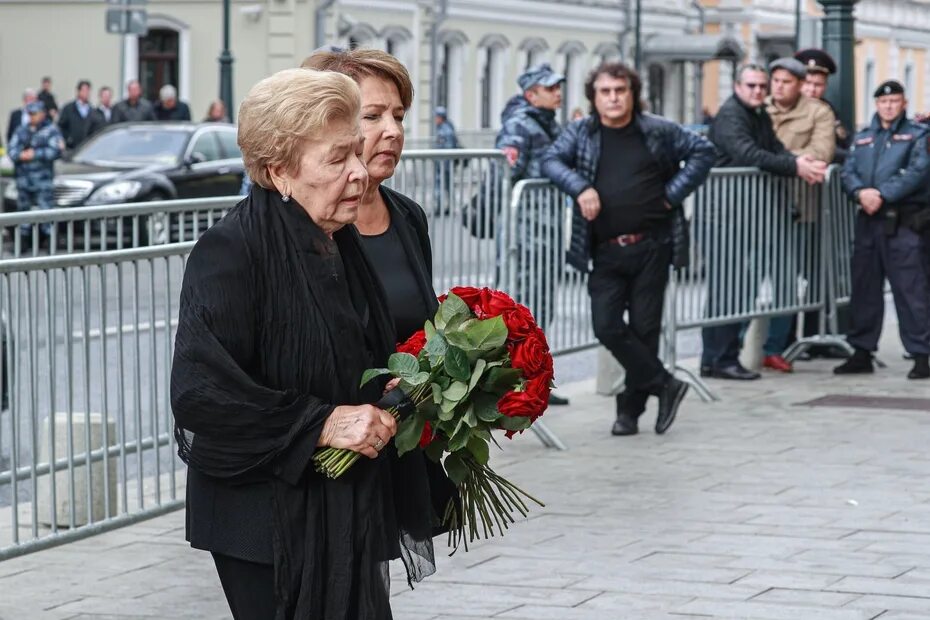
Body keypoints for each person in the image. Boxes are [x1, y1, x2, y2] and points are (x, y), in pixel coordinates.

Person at [171, 68, 439, 620]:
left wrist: (391, 388)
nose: (361, 174)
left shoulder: (337, 244)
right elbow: (202, 394)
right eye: (338, 159)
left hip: (345, 503)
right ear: (279, 172)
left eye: (356, 155)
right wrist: (322, 422)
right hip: (262, 518)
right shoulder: (229, 253)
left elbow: (353, 358)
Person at [300, 47, 457, 518]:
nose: (392, 130)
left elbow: (418, 328)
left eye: (399, 115)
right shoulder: (309, 224)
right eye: (372, 116)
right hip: (320, 458)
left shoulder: (407, 216)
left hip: (390, 444)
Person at [542, 61, 715, 436]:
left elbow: (703, 151)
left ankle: (628, 414)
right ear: (594, 97)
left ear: (633, 94)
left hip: (653, 245)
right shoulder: (582, 133)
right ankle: (666, 383)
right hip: (603, 249)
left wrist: (671, 196)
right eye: (605, 92)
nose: (614, 98)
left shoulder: (656, 129)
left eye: (620, 90)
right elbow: (550, 159)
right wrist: (579, 187)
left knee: (644, 330)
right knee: (606, 326)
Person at [700, 63, 828, 381]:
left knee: (737, 289)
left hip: (743, 213)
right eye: (751, 85)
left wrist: (799, 161)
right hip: (724, 214)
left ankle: (719, 358)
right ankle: (719, 359)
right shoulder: (732, 115)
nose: (758, 91)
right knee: (728, 289)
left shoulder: (756, 114)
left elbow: (772, 148)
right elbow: (749, 155)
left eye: (761, 86)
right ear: (737, 86)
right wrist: (795, 165)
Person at [835, 80, 930, 380]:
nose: (889, 107)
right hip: (868, 220)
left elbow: (917, 171)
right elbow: (847, 171)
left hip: (901, 221)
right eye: (883, 102)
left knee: (910, 290)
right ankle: (861, 351)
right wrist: (860, 193)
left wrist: (881, 194)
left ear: (903, 104)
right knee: (864, 288)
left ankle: (921, 354)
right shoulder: (863, 137)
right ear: (876, 104)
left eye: (895, 101)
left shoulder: (918, 135)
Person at [496, 63, 570, 405]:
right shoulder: (520, 124)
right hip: (525, 232)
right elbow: (504, 172)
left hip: (546, 229)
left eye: (558, 87)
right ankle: (513, 384)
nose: (557, 92)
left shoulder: (546, 124)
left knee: (541, 305)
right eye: (550, 87)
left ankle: (534, 380)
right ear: (531, 94)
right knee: (522, 306)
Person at [761, 57, 836, 373]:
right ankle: (735, 344)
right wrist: (791, 160)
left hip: (798, 208)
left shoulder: (818, 112)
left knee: (786, 281)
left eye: (786, 81)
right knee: (744, 277)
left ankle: (775, 347)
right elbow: (743, 148)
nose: (778, 87)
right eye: (774, 80)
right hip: (756, 205)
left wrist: (772, 159)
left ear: (799, 84)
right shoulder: (759, 108)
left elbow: (821, 154)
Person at [7, 101, 63, 237]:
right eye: (30, 114)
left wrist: (36, 154)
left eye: (35, 114)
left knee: (46, 213)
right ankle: (24, 242)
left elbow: (56, 150)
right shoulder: (21, 130)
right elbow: (12, 149)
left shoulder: (51, 130)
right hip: (24, 181)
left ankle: (49, 241)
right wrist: (21, 155)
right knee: (24, 214)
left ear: (43, 114)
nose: (32, 117)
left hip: (43, 181)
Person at [795, 48, 851, 163]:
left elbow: (842, 142)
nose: (812, 90)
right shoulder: (786, 107)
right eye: (807, 83)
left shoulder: (829, 111)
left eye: (818, 85)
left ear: (825, 86)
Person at [58, 80, 106, 151]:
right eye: (84, 90)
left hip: (87, 148)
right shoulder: (69, 109)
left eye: (88, 91)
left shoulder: (93, 111)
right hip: (71, 147)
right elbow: (61, 126)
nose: (86, 93)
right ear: (78, 91)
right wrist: (67, 139)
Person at [432, 105, 460, 212]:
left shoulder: (445, 131)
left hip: (444, 165)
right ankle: (447, 206)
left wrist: (445, 166)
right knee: (447, 186)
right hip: (444, 164)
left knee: (441, 186)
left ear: (441, 117)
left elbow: (448, 149)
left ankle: (441, 207)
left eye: (437, 117)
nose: (435, 119)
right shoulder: (445, 128)